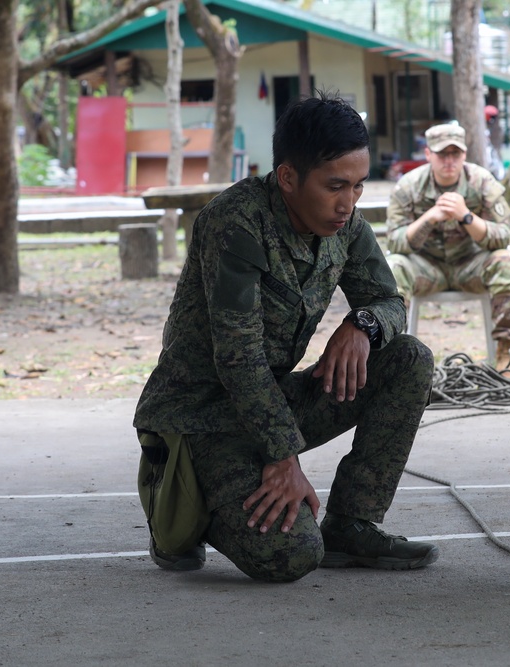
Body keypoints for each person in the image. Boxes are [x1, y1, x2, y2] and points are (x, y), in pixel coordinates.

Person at [134, 91, 438, 582]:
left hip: (268, 400)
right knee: (290, 556)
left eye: (359, 187)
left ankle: (351, 524)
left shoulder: (345, 224)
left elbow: (389, 302)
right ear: (289, 177)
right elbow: (238, 357)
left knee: (408, 359)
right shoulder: (235, 223)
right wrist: (283, 456)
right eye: (335, 186)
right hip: (201, 419)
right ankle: (183, 505)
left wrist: (361, 327)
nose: (348, 203)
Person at [386, 122, 510, 370]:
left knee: (507, 260)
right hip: (426, 268)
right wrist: (429, 218)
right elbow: (395, 241)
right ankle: (392, 359)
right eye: (442, 154)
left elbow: (503, 235)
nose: (449, 161)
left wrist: (466, 216)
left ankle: (508, 354)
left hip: (470, 265)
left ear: (464, 154)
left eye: (455, 154)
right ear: (429, 154)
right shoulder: (408, 186)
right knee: (393, 266)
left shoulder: (482, 182)